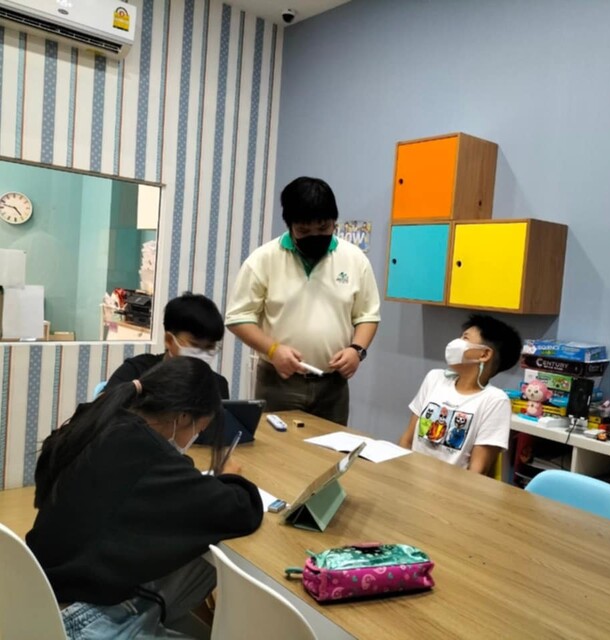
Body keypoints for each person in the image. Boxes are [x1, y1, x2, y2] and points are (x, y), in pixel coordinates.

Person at [27, 357, 263, 639]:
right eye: (199, 430)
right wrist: (231, 477)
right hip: (80, 622)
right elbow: (241, 510)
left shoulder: (100, 420)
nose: (194, 438)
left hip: (38, 595)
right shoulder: (145, 453)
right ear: (183, 417)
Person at [225, 176, 381, 425]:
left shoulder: (355, 259)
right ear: (289, 226)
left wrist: (356, 350)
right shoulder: (263, 259)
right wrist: (273, 350)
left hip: (334, 384)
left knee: (332, 447)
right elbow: (238, 318)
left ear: (334, 222)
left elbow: (367, 315)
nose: (315, 236)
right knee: (276, 447)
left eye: (323, 228)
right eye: (304, 231)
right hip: (279, 380)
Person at [399, 314, 522, 475]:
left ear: (484, 354)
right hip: (411, 476)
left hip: (450, 486)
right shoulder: (435, 378)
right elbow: (406, 440)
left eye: (465, 338)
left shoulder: (495, 401)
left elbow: (477, 471)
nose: (455, 343)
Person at [104, 292, 229, 444]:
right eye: (195, 345)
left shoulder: (218, 385)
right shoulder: (135, 371)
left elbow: (214, 438)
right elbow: (103, 418)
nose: (203, 354)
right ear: (169, 340)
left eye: (209, 347)